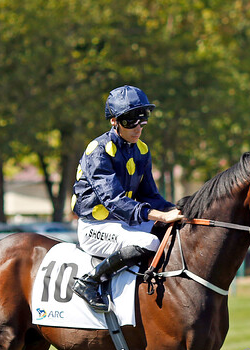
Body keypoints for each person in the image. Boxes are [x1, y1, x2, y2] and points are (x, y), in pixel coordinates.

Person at [71, 85, 183, 311]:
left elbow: (150, 195)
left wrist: (179, 210)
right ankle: (89, 281)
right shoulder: (98, 150)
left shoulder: (141, 150)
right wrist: (159, 215)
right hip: (95, 227)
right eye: (130, 121)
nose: (138, 127)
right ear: (114, 121)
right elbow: (114, 200)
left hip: (123, 224)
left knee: (172, 232)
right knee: (149, 242)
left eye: (142, 120)